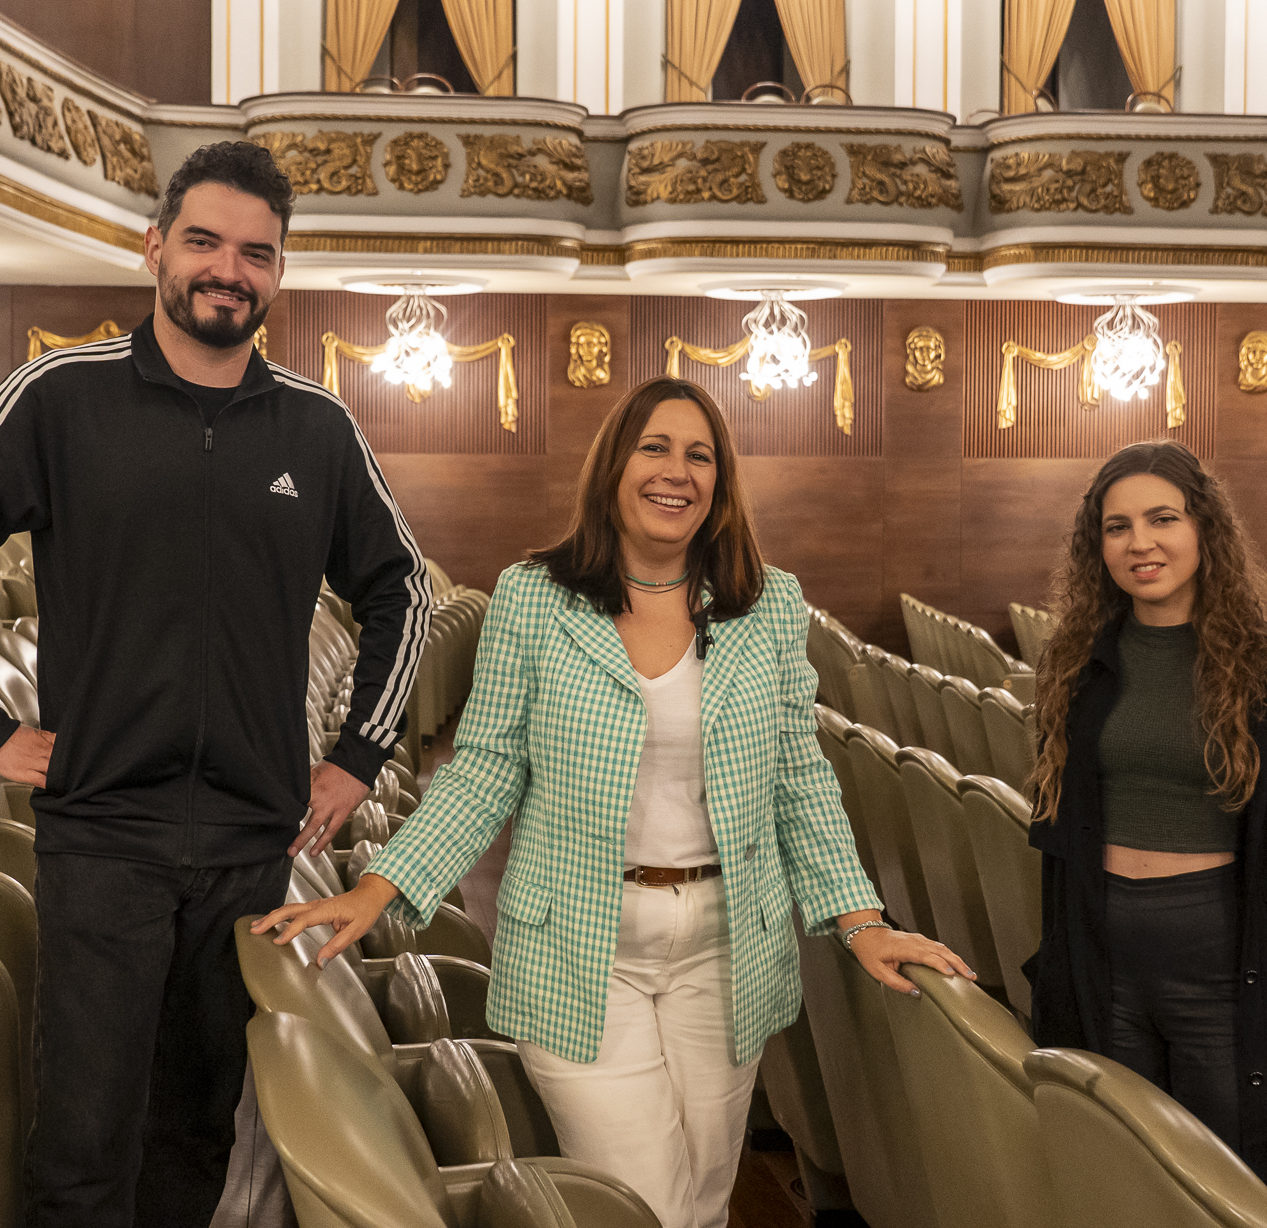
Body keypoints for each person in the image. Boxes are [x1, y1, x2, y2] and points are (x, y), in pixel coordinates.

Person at [255, 376, 972, 1228]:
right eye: (654, 447)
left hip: (725, 949)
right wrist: (380, 887)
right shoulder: (534, 595)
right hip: (579, 946)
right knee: (647, 1208)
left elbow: (798, 775)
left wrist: (861, 919)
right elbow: (485, 768)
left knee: (704, 1202)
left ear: (720, 481)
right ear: (614, 467)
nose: (677, 471)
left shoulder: (768, 603)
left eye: (700, 455)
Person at [0, 140, 432, 1228]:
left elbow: (402, 587)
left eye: (257, 253)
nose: (229, 270)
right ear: (154, 249)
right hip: (103, 839)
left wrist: (359, 755)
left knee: (195, 1134)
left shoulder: (315, 426)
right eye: (205, 242)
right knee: (83, 1149)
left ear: (279, 272)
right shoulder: (59, 395)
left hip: (250, 841)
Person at [1022, 440, 1267, 1195]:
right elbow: (1063, 820)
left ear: (1204, 528)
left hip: (1222, 955)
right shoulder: (1077, 660)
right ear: (1097, 545)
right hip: (1100, 945)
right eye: (1117, 526)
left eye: (1162, 518)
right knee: (1119, 1171)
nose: (1141, 543)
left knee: (1227, 1179)